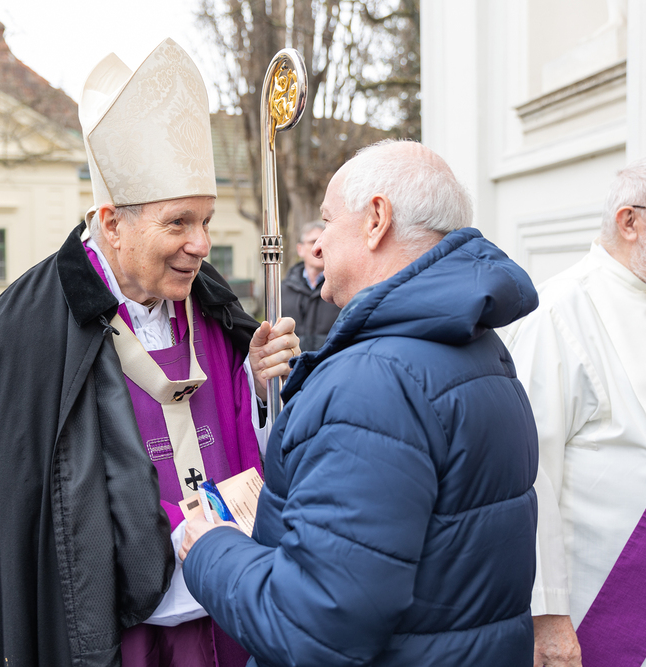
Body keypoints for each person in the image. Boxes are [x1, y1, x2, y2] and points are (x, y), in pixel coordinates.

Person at [0, 38, 299, 667]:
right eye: (178, 222)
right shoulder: (29, 327)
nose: (201, 244)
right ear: (111, 223)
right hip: (114, 634)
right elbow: (22, 517)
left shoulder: (211, 305)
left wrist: (261, 385)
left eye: (206, 220)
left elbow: (251, 443)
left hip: (231, 614)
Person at [179, 140, 540, 666]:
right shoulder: (477, 348)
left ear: (376, 220)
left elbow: (316, 626)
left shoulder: (373, 382)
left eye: (327, 221)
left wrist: (211, 548)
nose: (317, 246)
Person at [501, 157, 646, 667]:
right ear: (629, 221)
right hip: (605, 607)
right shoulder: (558, 314)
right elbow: (529, 479)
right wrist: (547, 617)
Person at [282, 221, 342, 352]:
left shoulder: (342, 289)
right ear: (300, 249)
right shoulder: (283, 290)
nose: (319, 247)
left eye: (325, 241)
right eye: (313, 241)